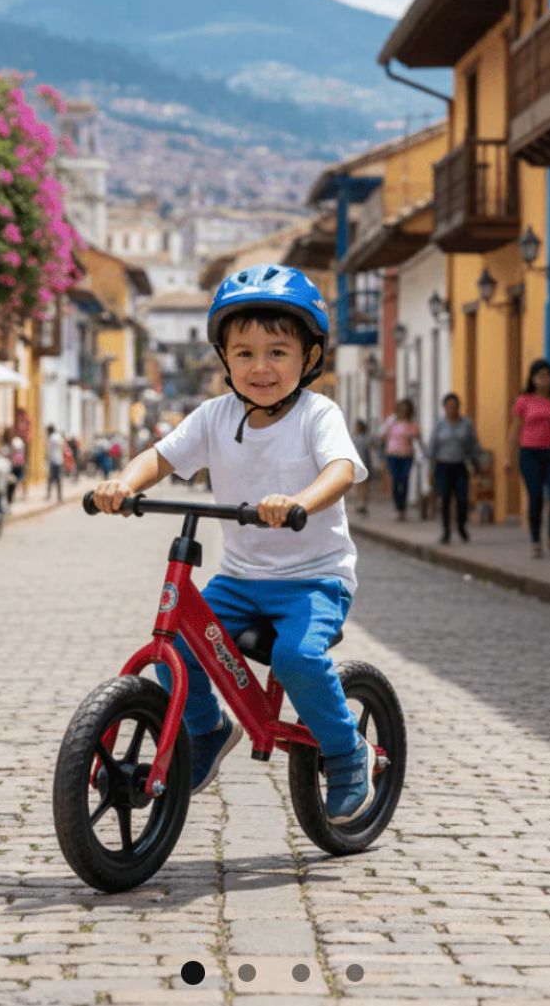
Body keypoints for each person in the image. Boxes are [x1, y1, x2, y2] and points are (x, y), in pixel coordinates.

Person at [92, 263, 375, 824]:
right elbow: (161, 456)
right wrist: (125, 483)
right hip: (241, 580)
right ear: (224, 359)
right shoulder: (216, 416)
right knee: (176, 646)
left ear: (309, 357)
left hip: (313, 577)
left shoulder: (319, 414)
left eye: (277, 352)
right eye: (244, 353)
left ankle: (347, 752)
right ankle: (206, 728)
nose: (260, 367)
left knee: (297, 658)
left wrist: (299, 500)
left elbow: (342, 469)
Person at [508, 358, 550, 559]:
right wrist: (508, 457)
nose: (544, 380)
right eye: (540, 376)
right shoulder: (524, 400)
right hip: (530, 453)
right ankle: (536, 541)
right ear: (533, 379)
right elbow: (515, 430)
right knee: (535, 496)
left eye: (547, 375)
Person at [430, 392, 480, 545]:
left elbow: (473, 444)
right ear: (444, 408)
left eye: (454, 406)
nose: (451, 409)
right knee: (445, 498)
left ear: (459, 407)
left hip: (460, 465)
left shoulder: (466, 424)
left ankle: (461, 526)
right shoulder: (439, 425)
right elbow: (433, 447)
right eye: (448, 407)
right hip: (442, 465)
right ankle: (446, 530)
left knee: (462, 497)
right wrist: (431, 468)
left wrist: (476, 462)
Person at [380, 398, 421, 521]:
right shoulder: (392, 422)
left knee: (404, 479)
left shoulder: (412, 424)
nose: (403, 411)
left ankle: (403, 507)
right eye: (402, 409)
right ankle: (398, 506)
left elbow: (417, 438)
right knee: (396, 480)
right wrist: (383, 456)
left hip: (406, 456)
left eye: (406, 409)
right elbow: (383, 436)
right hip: (393, 455)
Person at [350, 419, 372, 517]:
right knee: (358, 486)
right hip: (357, 465)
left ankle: (363, 503)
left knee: (364, 486)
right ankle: (359, 503)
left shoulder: (365, 439)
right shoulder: (354, 438)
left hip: (365, 464)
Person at [45, 424, 66, 500]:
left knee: (51, 479)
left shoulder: (51, 438)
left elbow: (49, 450)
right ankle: (60, 496)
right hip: (59, 460)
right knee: (58, 479)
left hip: (53, 460)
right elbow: (63, 447)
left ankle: (48, 495)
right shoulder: (59, 437)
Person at [7, 433, 26, 504]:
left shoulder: (15, 441)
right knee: (18, 481)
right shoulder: (18, 442)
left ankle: (20, 494)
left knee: (17, 481)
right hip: (18, 465)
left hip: (17, 465)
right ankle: (21, 494)